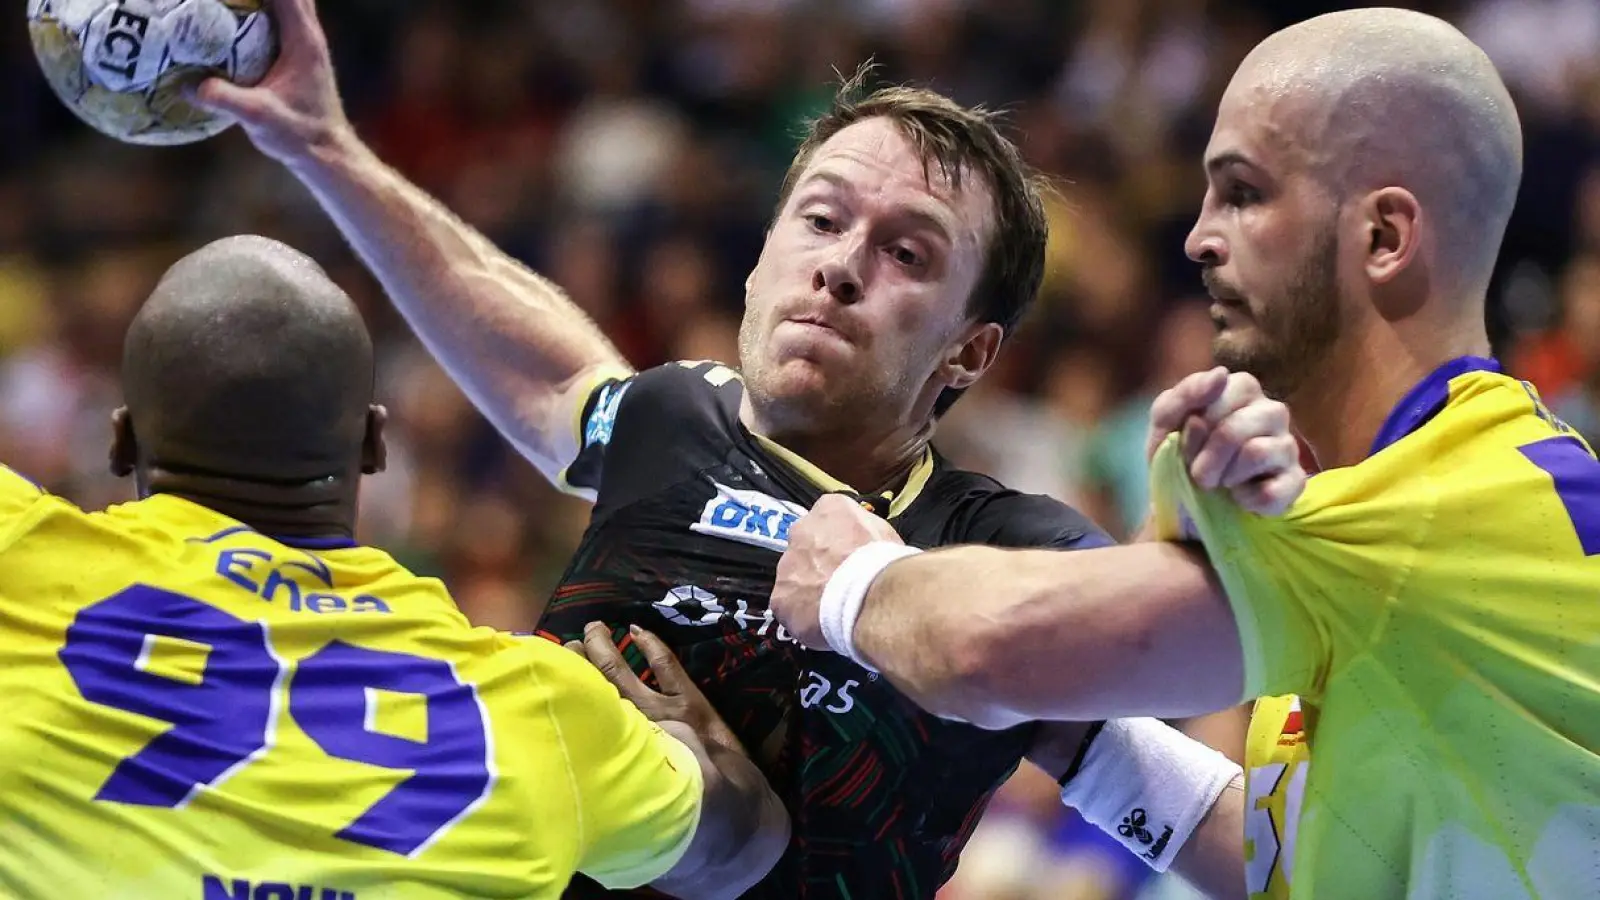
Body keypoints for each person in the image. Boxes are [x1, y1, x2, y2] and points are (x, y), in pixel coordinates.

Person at [190, 2, 1298, 897]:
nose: (840, 267)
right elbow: (527, 348)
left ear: (969, 353)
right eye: (818, 221)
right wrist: (322, 144)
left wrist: (1251, 524)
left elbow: (1212, 813)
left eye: (906, 252)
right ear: (762, 256)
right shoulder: (669, 421)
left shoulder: (999, 549)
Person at [769, 8, 1600, 900]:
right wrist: (1075, 734)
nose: (1199, 236)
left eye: (1242, 193)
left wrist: (855, 584)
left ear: (1385, 237)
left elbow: (988, 647)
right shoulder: (1374, 532)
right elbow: (1289, 862)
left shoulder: (1468, 503)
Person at [0, 235, 789, 899]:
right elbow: (740, 847)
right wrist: (706, 751)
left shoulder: (18, 560)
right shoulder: (540, 705)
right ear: (377, 446)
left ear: (121, 442)